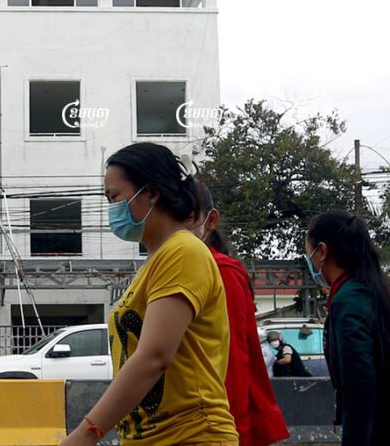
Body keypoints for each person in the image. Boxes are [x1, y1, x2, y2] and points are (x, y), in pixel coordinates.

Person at [59, 142, 238, 446]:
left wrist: (87, 434)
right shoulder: (155, 263)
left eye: (115, 197)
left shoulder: (183, 251)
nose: (111, 208)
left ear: (152, 192)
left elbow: (154, 357)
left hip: (191, 436)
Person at [306, 210, 390, 446]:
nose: (308, 260)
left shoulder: (348, 300)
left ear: (321, 251)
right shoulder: (383, 293)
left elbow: (358, 381)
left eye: (307, 252)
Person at [186, 178, 289, 446]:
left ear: (210, 221)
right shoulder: (171, 270)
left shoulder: (220, 272)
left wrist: (233, 434)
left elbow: (233, 361)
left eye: (185, 215)